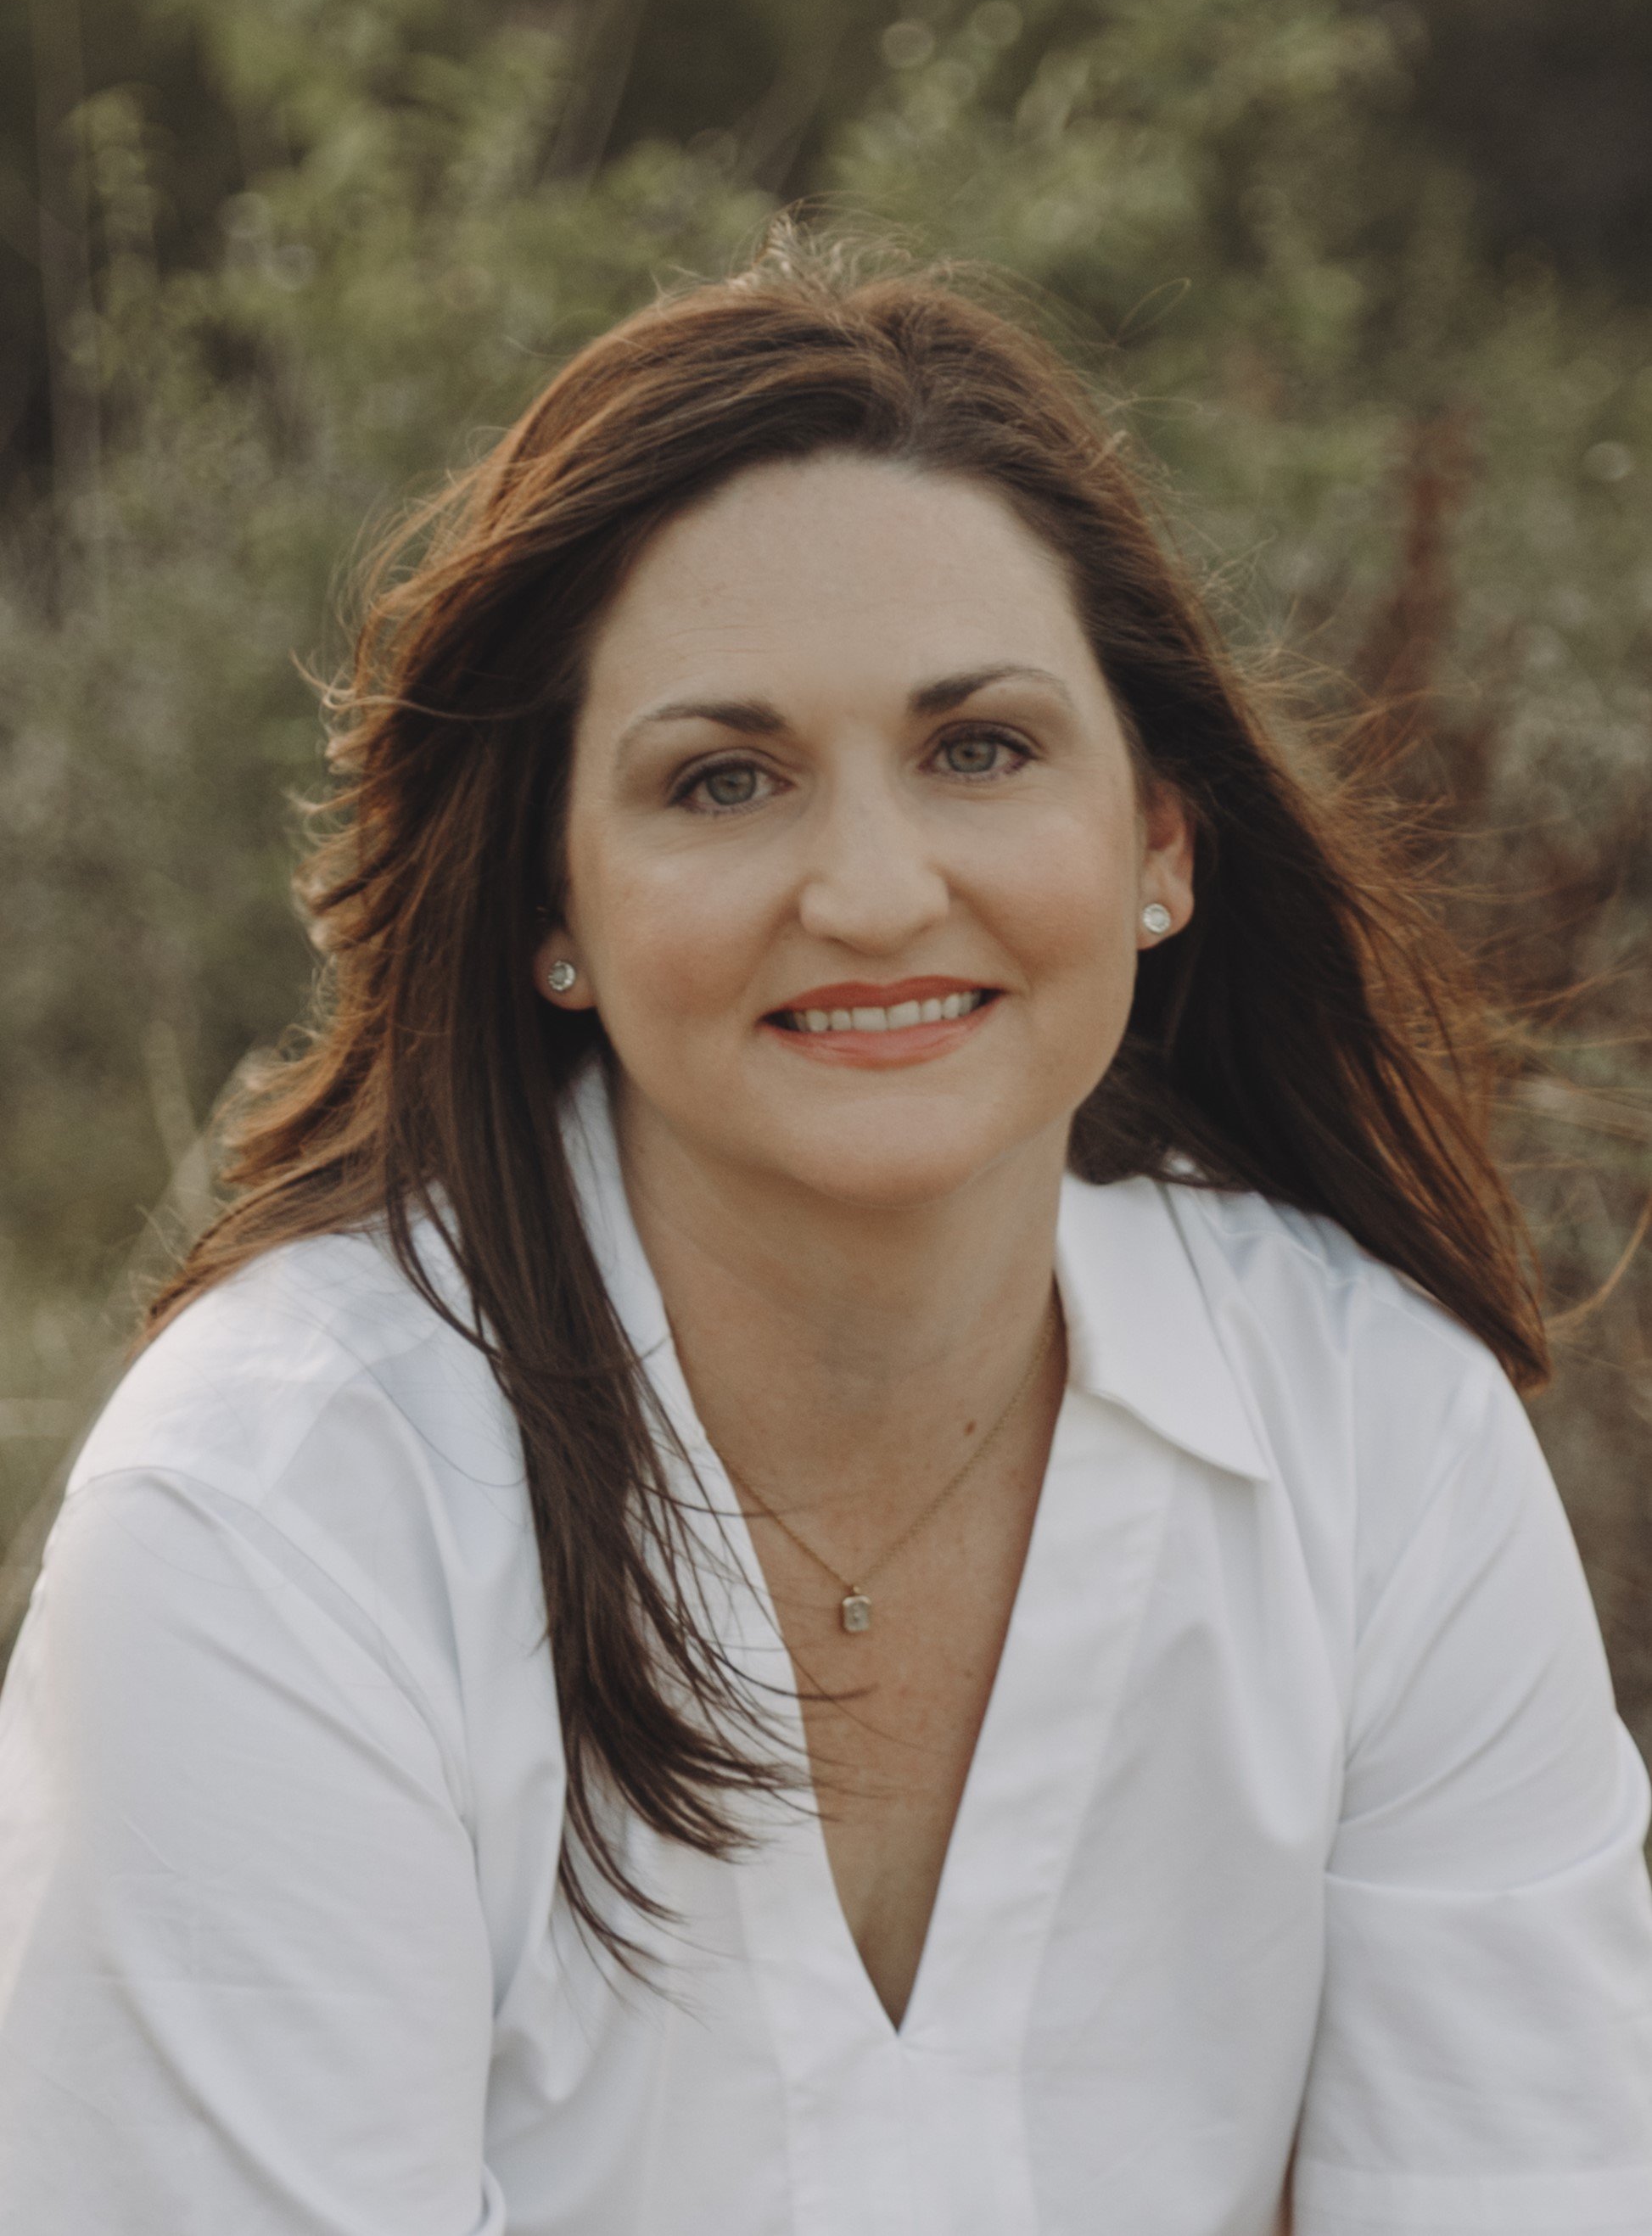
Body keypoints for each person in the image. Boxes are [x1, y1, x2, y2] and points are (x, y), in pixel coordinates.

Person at [1, 234, 1649, 2236]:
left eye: (978, 749)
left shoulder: (1380, 1436)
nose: (871, 891)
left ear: (1156, 841)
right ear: (552, 908)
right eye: (723, 779)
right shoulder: (275, 1518)